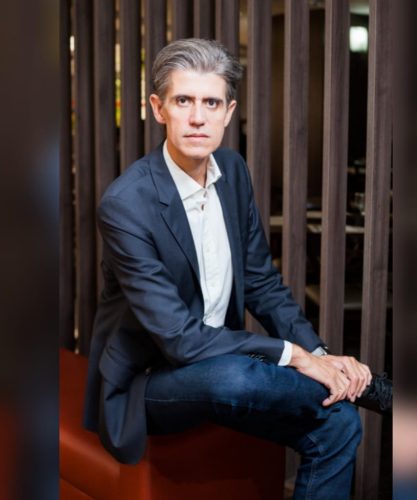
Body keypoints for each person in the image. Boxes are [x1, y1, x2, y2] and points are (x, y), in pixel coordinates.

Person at [83, 38, 383, 499]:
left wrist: (319, 355)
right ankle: (372, 391)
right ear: (159, 109)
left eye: (211, 103)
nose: (197, 117)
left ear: (229, 112)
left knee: (339, 424)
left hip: (216, 363)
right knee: (236, 375)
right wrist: (297, 357)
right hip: (150, 380)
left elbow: (262, 282)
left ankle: (352, 391)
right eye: (183, 101)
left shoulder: (233, 171)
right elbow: (180, 339)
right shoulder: (126, 204)